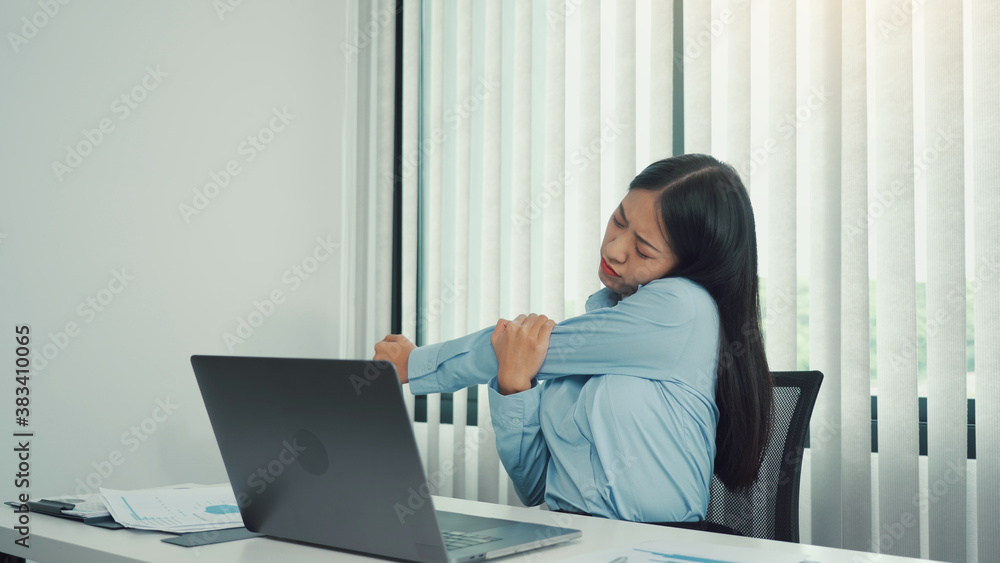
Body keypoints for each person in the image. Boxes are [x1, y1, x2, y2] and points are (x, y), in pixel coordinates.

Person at [374, 153, 773, 524]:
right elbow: (534, 490)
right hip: (572, 538)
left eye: (644, 248)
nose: (615, 249)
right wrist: (515, 388)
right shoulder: (600, 328)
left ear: (687, 265)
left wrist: (416, 364)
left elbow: (517, 343)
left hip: (656, 548)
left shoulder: (684, 308)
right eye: (619, 220)